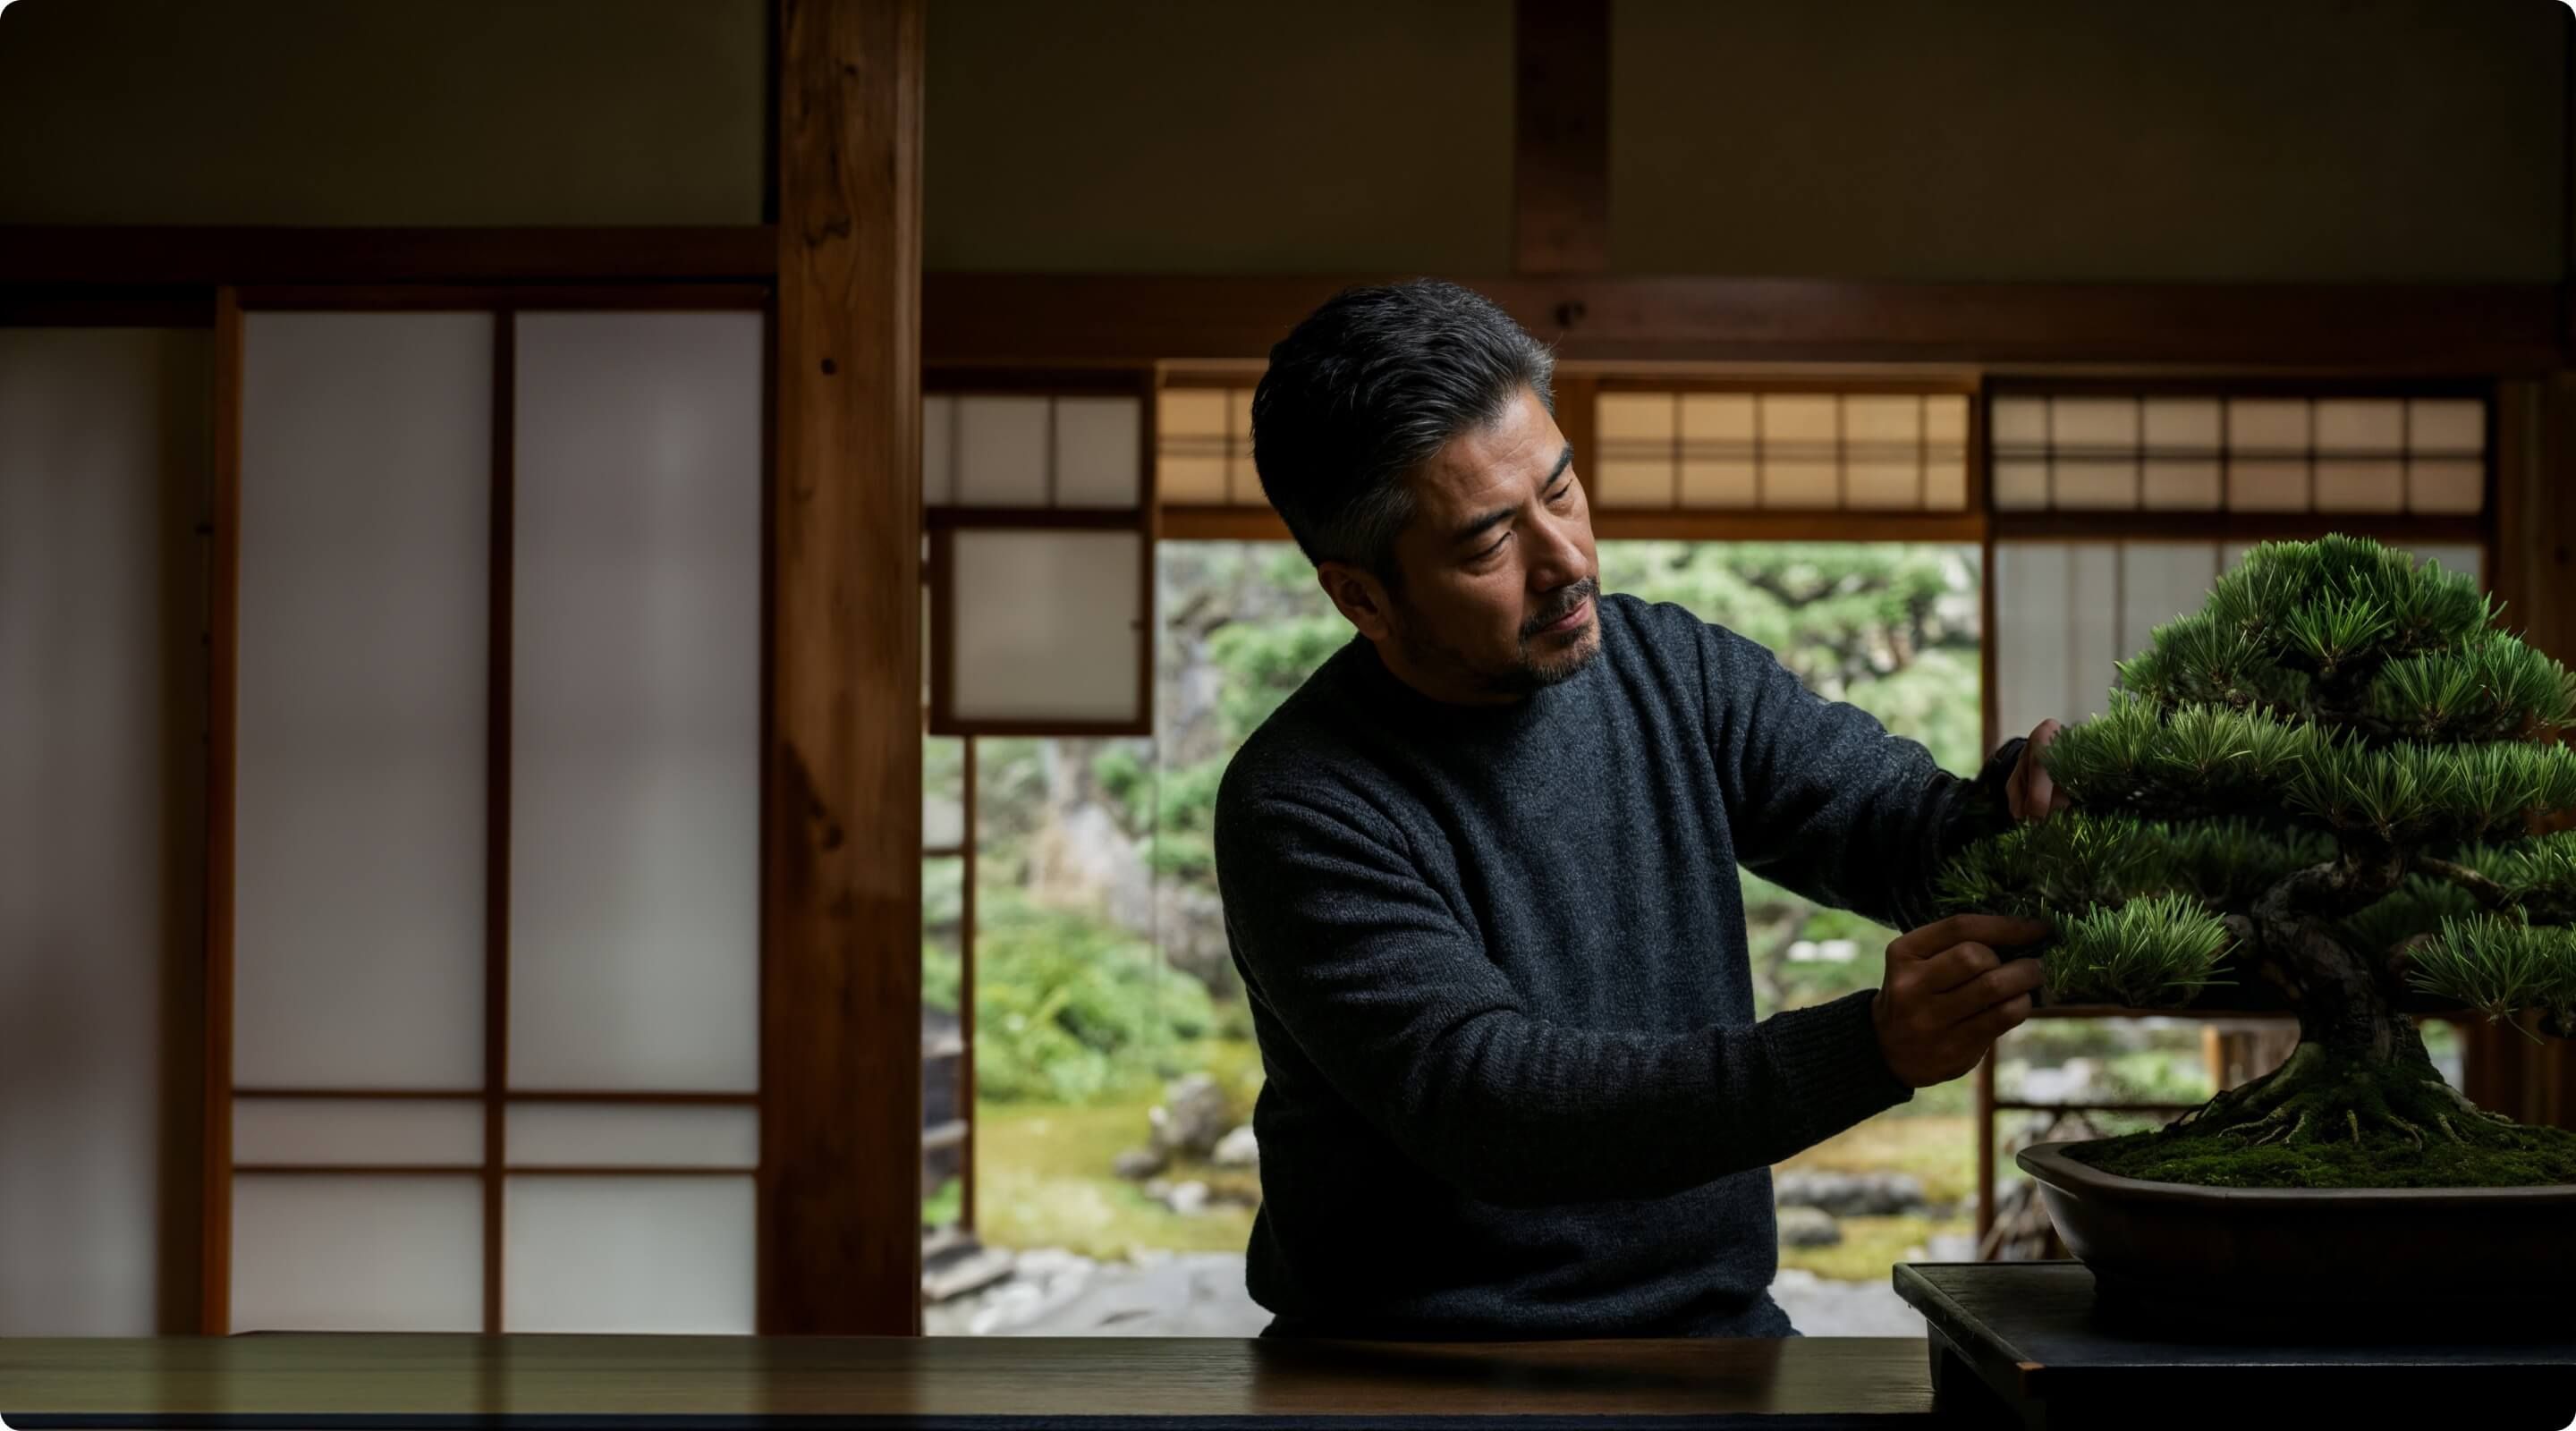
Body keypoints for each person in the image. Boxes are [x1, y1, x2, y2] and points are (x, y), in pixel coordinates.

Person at [1213, 280, 2065, 1340]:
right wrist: (1871, 1047)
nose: (1566, 560)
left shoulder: (1673, 670)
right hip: (1410, 1367)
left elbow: (1896, 828)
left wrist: (2035, 812)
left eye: (1561, 491)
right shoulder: (1302, 799)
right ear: (1363, 597)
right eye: (1489, 545)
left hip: (1711, 1330)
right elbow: (1490, 1103)